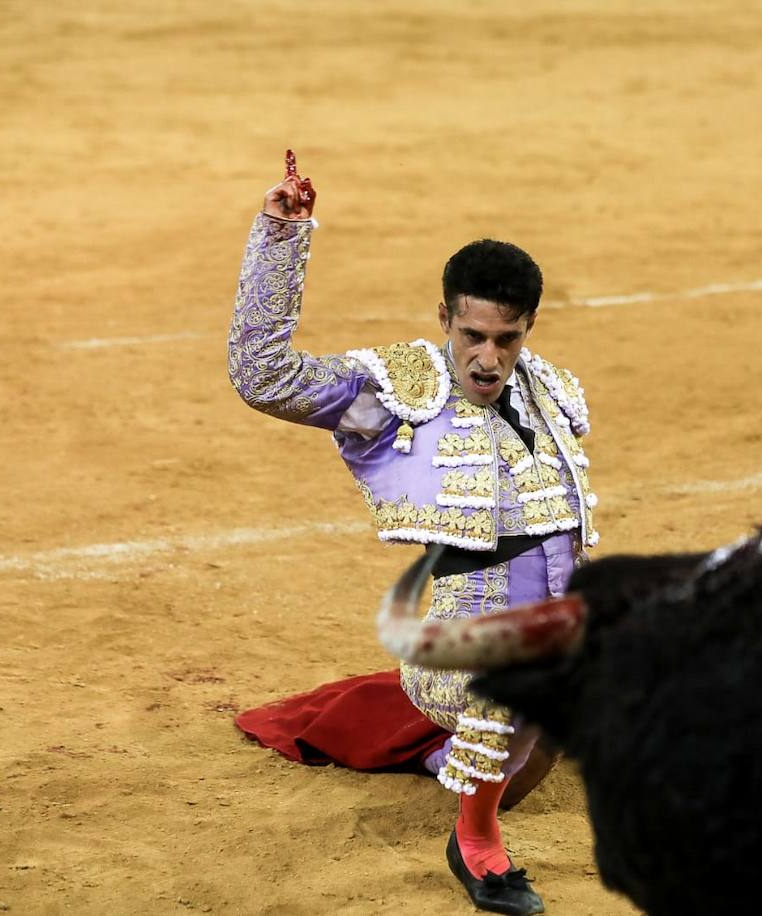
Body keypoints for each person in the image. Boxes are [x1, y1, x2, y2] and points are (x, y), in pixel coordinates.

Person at [228, 152, 598, 915]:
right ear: (444, 321)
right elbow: (262, 375)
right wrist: (280, 236)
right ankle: (475, 844)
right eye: (472, 336)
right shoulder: (400, 392)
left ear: (530, 328)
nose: (487, 359)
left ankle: (455, 757)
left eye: (507, 339)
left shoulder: (553, 392)